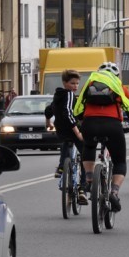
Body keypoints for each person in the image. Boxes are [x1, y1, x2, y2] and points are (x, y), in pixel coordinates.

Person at [73, 62, 129, 213]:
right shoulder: (118, 86)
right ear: (116, 75)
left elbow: (78, 107)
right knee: (120, 161)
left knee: (88, 146)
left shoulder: (89, 83)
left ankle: (89, 180)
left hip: (90, 124)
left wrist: (81, 119)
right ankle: (114, 192)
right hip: (112, 126)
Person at [45, 69, 87, 204]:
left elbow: (49, 109)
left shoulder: (58, 94)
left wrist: (48, 122)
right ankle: (83, 188)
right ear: (65, 83)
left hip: (60, 130)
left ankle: (61, 167)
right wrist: (77, 132)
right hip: (70, 129)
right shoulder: (69, 95)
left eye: (77, 84)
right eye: (72, 83)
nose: (75, 86)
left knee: (65, 144)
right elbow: (68, 112)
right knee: (86, 156)